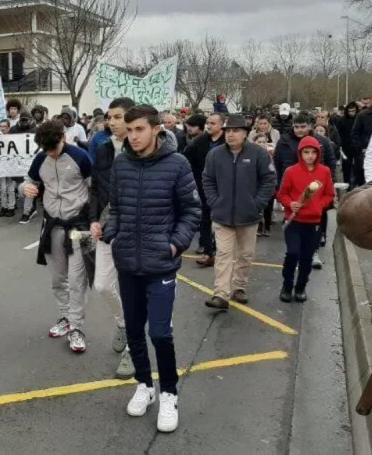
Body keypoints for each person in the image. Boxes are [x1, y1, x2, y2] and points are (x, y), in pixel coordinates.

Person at [102, 105, 200, 434]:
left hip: (161, 263)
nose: (132, 137)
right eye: (128, 131)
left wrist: (174, 244)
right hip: (127, 262)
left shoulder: (177, 164)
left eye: (139, 130)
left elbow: (191, 211)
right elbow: (116, 206)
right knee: (134, 332)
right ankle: (145, 385)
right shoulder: (121, 164)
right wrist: (113, 232)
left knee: (160, 333)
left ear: (156, 129)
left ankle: (169, 393)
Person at [21, 120, 93, 353]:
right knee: (57, 279)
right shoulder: (42, 158)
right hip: (52, 225)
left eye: (54, 148)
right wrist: (26, 189)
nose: (51, 154)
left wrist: (94, 221)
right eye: (46, 149)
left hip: (78, 225)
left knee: (76, 280)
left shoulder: (80, 157)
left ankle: (77, 327)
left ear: (63, 138)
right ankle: (65, 317)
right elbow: (29, 180)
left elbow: (95, 187)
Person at [203, 115, 276, 309]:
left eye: (235, 131)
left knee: (245, 255)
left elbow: (269, 180)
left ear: (245, 133)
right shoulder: (215, 155)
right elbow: (207, 180)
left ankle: (239, 286)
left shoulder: (258, 154)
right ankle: (220, 293)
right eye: (228, 131)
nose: (231, 135)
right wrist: (215, 202)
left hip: (248, 216)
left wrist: (257, 204)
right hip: (222, 215)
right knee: (223, 254)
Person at [89, 96, 136, 379]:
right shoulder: (104, 149)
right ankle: (122, 323)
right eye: (110, 117)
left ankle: (134, 346)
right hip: (107, 227)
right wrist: (94, 218)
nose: (112, 122)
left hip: (135, 230)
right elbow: (96, 187)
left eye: (118, 116)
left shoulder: (143, 149)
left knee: (133, 290)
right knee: (103, 285)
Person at [274, 112, 337, 269]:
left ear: (310, 126)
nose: (299, 130)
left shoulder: (322, 141)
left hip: (316, 190)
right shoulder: (284, 141)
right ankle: (294, 253)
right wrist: (278, 189)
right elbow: (277, 164)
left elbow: (330, 163)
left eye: (303, 127)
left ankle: (313, 252)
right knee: (293, 223)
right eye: (296, 127)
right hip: (292, 189)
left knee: (315, 224)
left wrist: (330, 185)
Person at [276, 136, 335, 303]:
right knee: (293, 253)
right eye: (306, 152)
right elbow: (282, 194)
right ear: (300, 153)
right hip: (294, 221)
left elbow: (329, 195)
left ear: (318, 154)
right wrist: (290, 203)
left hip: (313, 222)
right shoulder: (291, 171)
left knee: (307, 257)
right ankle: (287, 285)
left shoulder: (324, 172)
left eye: (313, 152)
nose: (310, 156)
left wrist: (318, 205)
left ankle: (301, 286)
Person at [184, 113, 225, 266]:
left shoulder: (228, 140)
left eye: (213, 123)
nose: (209, 125)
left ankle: (222, 251)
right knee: (205, 219)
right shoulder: (198, 142)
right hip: (203, 186)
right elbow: (187, 161)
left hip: (224, 187)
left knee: (223, 221)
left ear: (221, 124)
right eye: (208, 122)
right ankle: (208, 251)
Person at [8, 111, 38, 222]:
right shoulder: (13, 130)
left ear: (31, 120)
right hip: (18, 164)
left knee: (29, 185)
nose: (25, 122)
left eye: (27, 120)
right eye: (23, 120)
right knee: (19, 188)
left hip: (32, 163)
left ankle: (27, 211)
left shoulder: (37, 130)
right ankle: (32, 206)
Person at [352, 92, 372, 187]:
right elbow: (354, 133)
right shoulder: (362, 115)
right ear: (371, 100)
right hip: (366, 154)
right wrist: (361, 149)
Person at [335, 102, 359, 186]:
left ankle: (357, 183)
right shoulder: (342, 120)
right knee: (346, 167)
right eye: (350, 111)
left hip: (357, 147)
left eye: (353, 111)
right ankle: (347, 184)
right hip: (346, 147)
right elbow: (338, 133)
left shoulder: (359, 119)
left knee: (358, 167)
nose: (352, 113)